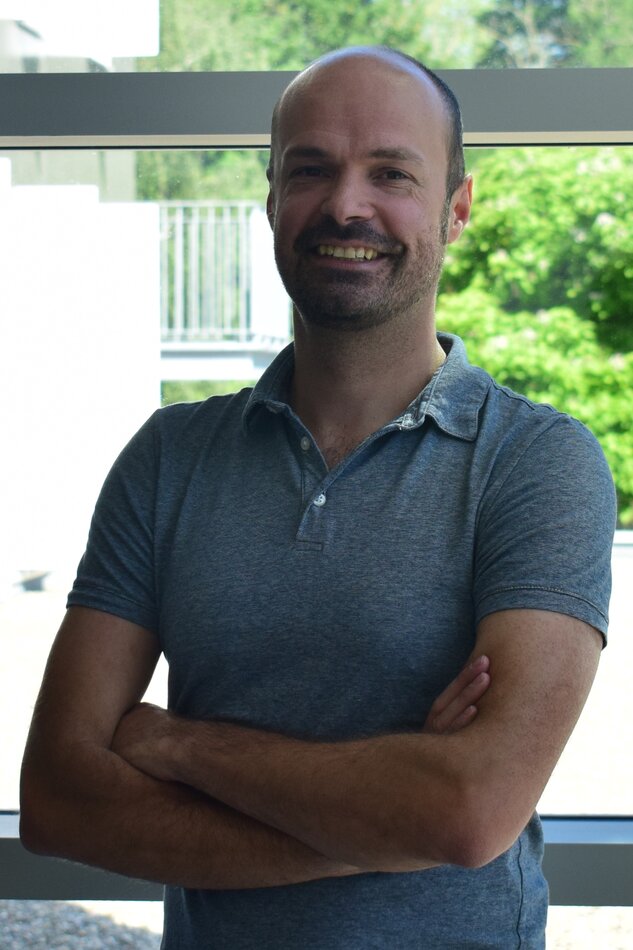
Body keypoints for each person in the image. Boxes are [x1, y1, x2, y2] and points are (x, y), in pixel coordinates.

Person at [20, 46, 616, 949]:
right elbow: (59, 801)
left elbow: (468, 812)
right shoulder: (169, 457)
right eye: (309, 170)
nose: (345, 205)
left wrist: (179, 746)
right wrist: (391, 822)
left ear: (457, 208)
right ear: (270, 200)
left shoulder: (536, 462)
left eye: (391, 173)